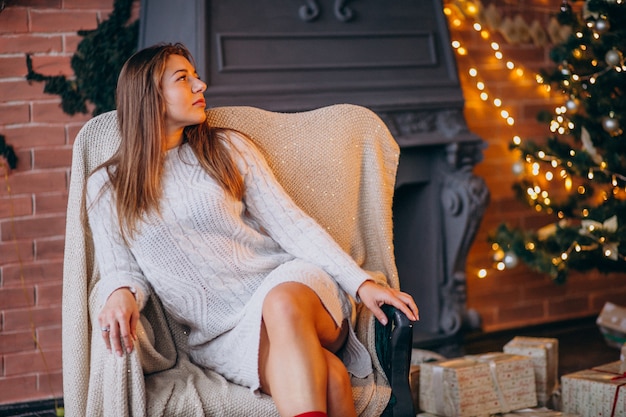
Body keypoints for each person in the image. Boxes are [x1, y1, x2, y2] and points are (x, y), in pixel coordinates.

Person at [87, 42, 419, 417]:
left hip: (294, 289)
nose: (201, 86)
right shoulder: (107, 186)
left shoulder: (226, 148)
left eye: (195, 76)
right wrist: (120, 292)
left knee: (281, 302)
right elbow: (120, 266)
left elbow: (291, 226)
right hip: (222, 333)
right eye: (184, 79)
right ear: (148, 95)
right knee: (330, 377)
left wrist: (361, 284)